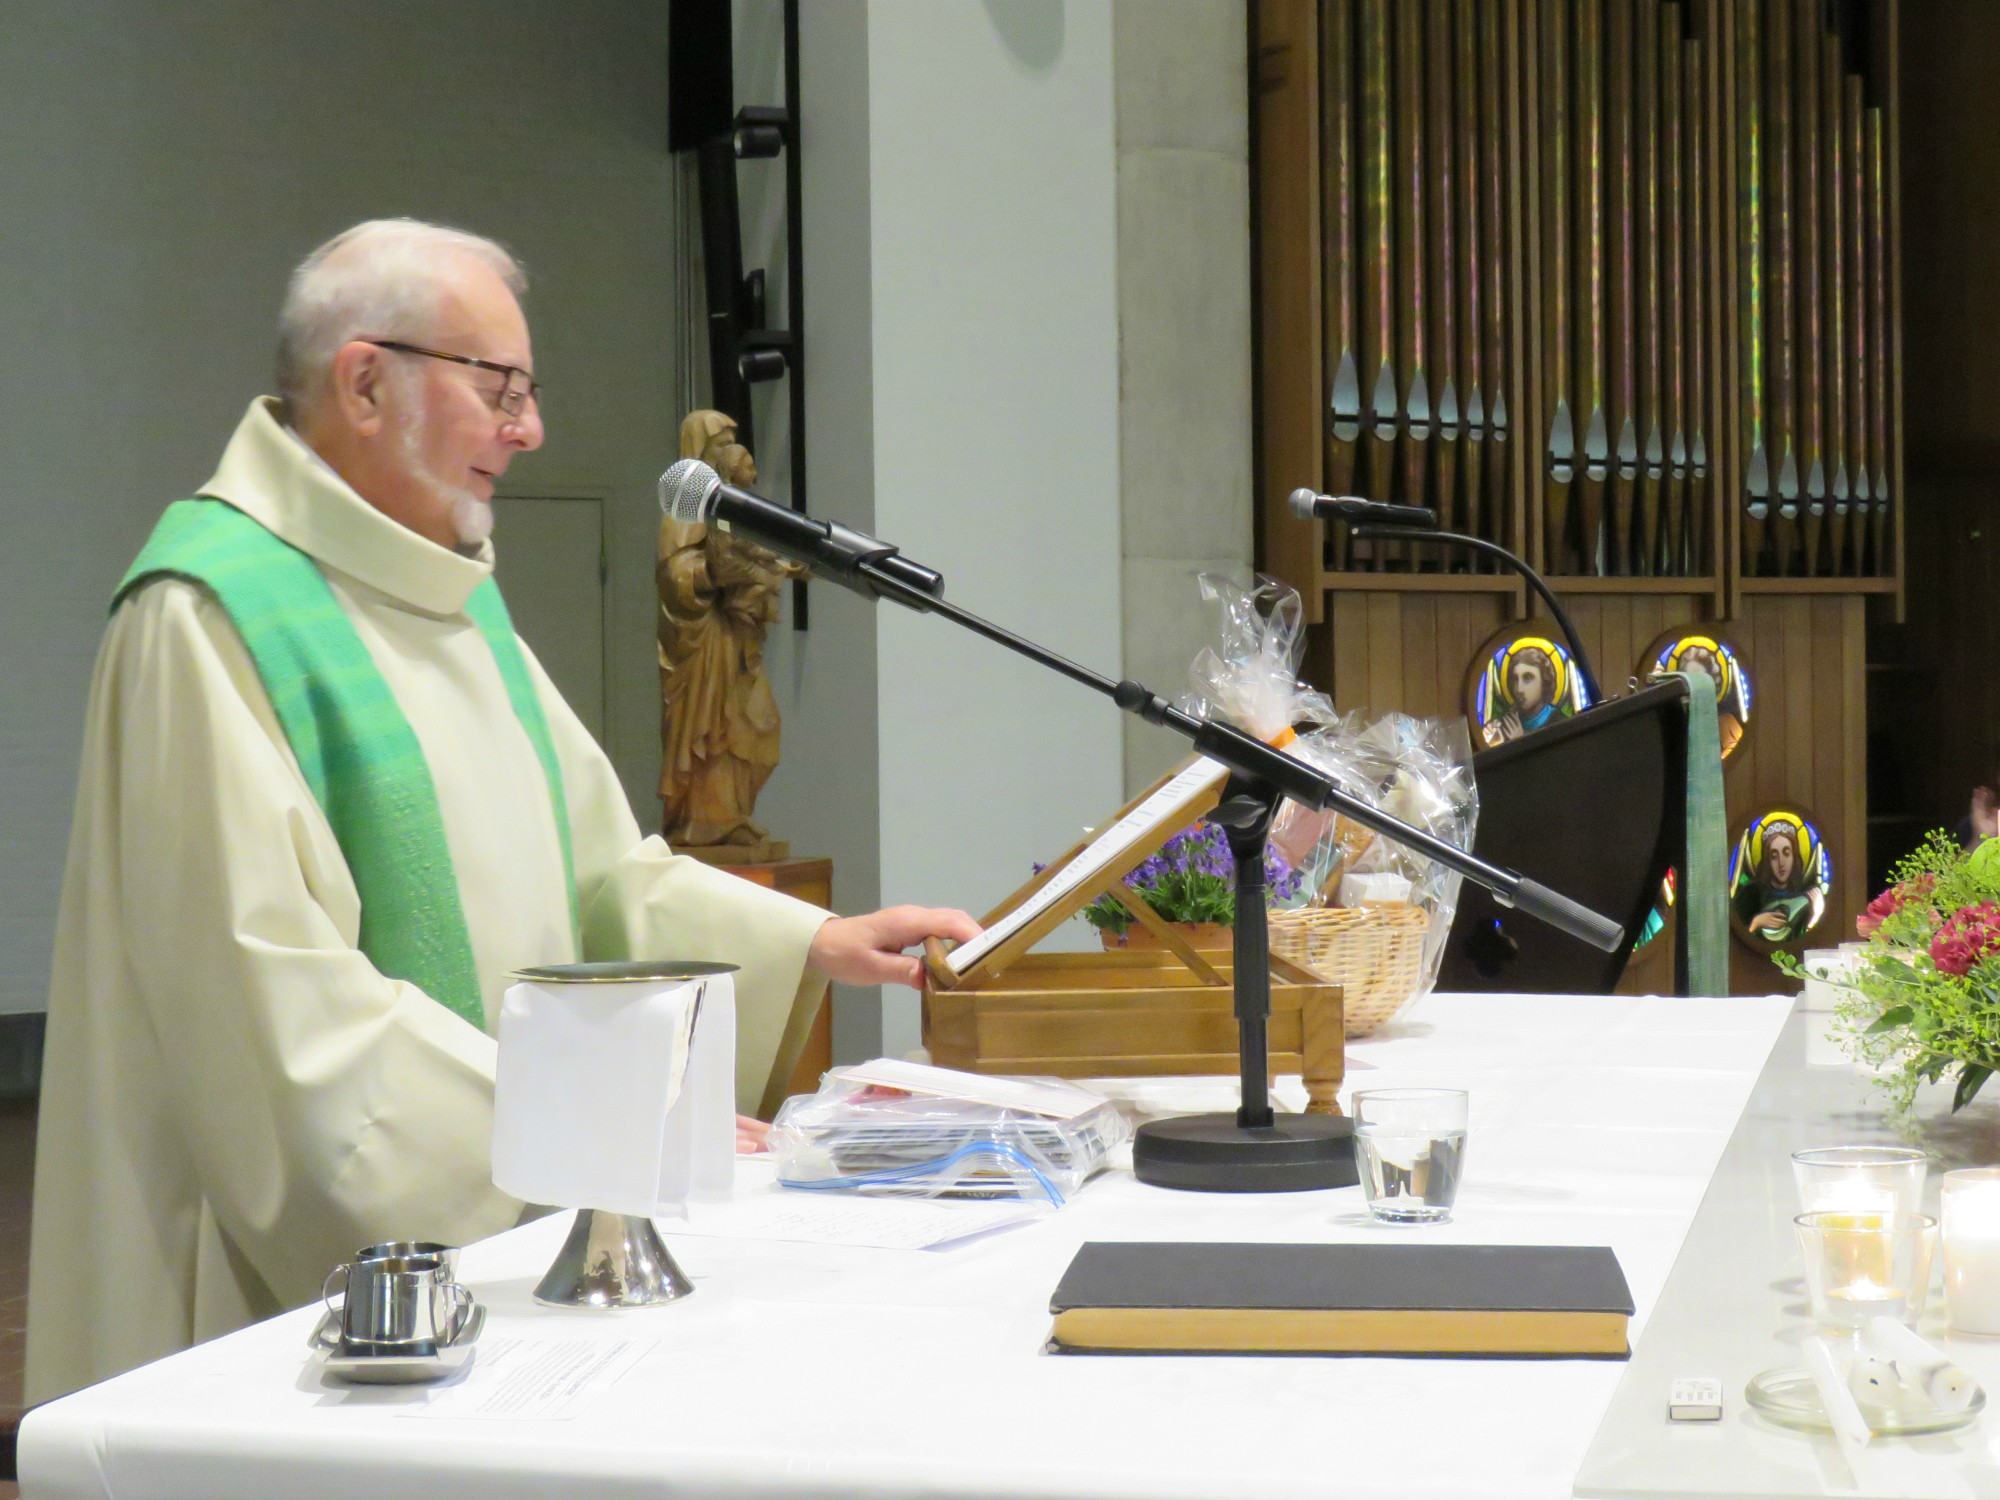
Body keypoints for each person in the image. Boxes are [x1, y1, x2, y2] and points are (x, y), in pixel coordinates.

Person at [26, 219, 979, 1402]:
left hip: (498, 1242)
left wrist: (813, 943)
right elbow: (271, 1010)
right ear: (365, 381)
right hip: (273, 1290)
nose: (528, 430)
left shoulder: (449, 596)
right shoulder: (211, 616)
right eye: (501, 389)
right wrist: (582, 1130)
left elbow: (599, 873)